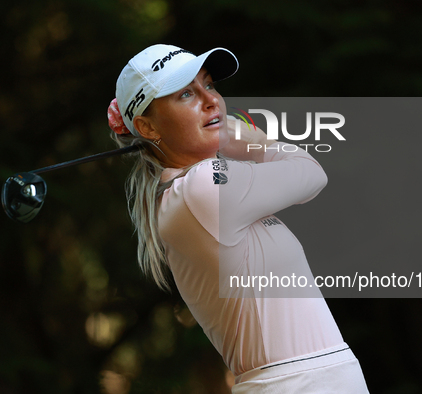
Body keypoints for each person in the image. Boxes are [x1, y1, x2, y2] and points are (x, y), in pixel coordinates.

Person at [107, 44, 369, 393]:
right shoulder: (203, 185)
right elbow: (311, 174)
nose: (211, 100)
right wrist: (256, 143)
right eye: (186, 93)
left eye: (209, 85)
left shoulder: (192, 189)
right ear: (147, 126)